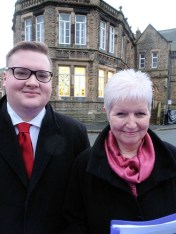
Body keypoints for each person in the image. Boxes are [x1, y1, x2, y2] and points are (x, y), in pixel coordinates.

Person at [62, 69, 176, 234]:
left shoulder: (172, 157)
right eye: (121, 114)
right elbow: (73, 222)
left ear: (149, 113)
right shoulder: (84, 164)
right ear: (107, 113)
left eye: (140, 114)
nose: (131, 124)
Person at [1, 41, 90, 234]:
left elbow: (82, 207)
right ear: (5, 78)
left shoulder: (75, 134)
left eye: (42, 75)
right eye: (22, 72)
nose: (33, 82)